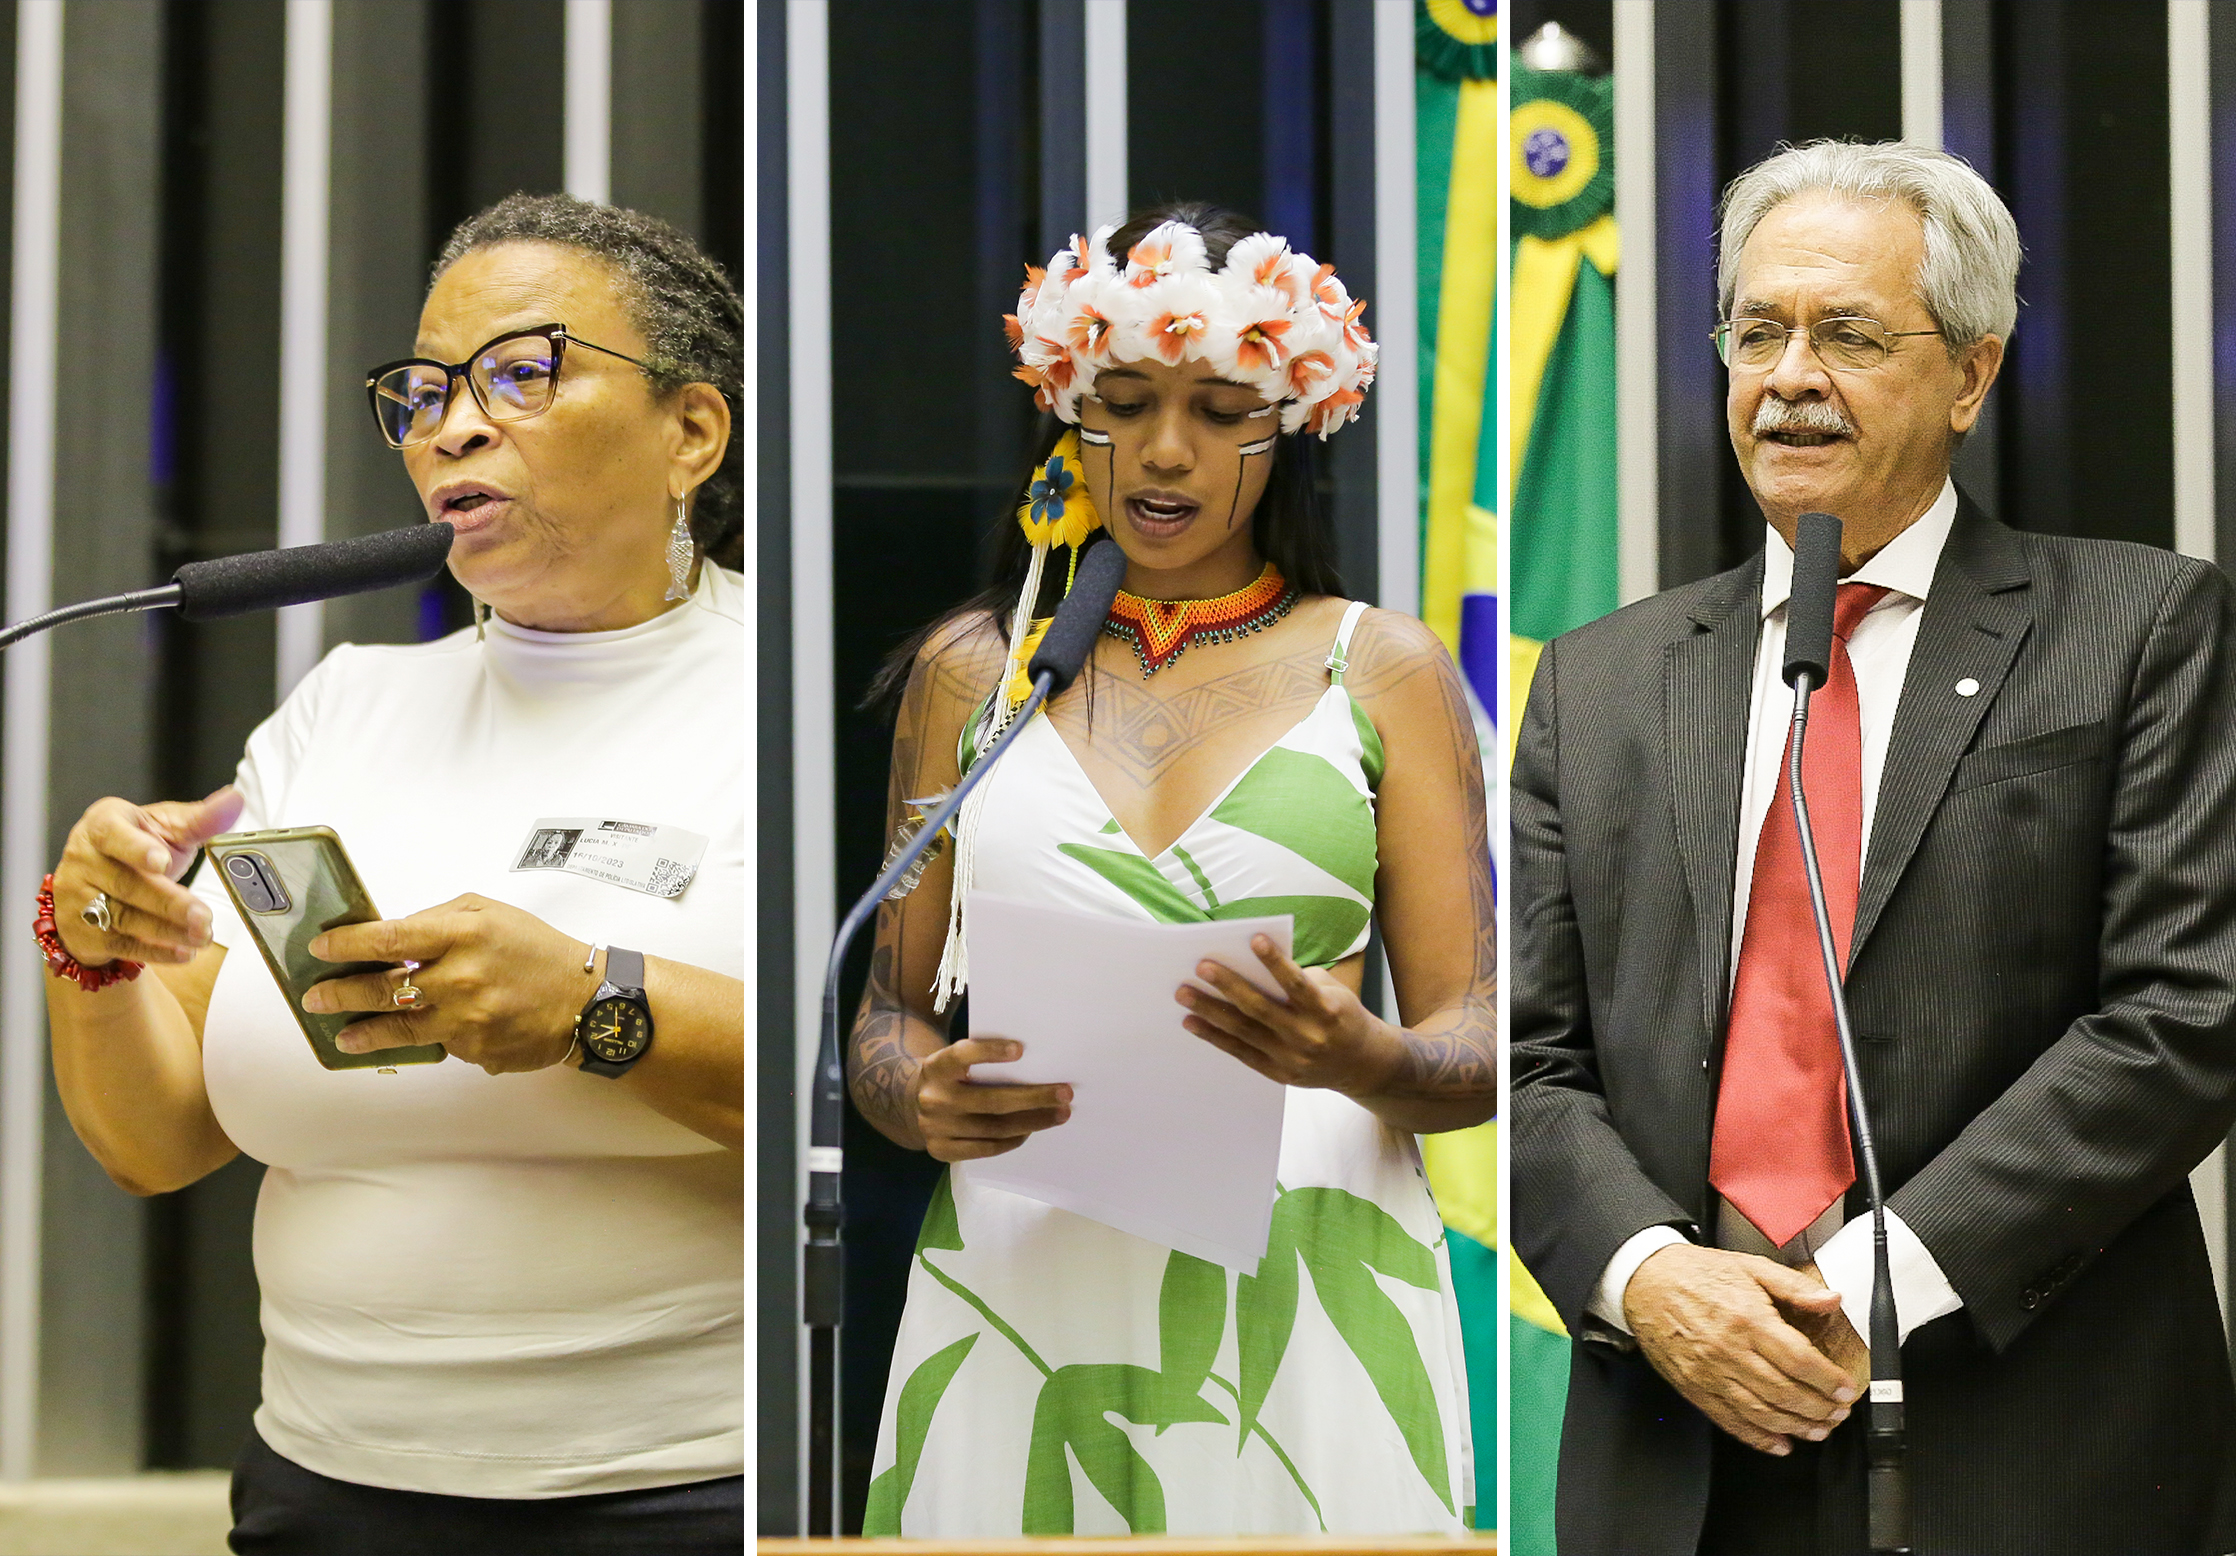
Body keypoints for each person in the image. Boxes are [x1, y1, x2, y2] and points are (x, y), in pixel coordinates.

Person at [1512, 140, 2236, 1554]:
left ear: (1969, 374)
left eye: (1847, 334)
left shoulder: (2138, 627)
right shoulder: (1598, 682)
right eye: (1756, 332)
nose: (1790, 375)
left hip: (2025, 1435)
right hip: (1680, 1441)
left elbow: (2177, 1016)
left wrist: (1864, 1286)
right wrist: (1654, 1278)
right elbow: (1533, 1058)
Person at [34, 194, 745, 1555]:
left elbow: (878, 1088)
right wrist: (94, 951)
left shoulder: (806, 695)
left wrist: (593, 1006)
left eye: (523, 374)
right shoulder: (339, 710)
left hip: (683, 1493)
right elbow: (157, 1139)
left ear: (690, 432)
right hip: (325, 1491)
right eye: (421, 394)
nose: (453, 428)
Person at [850, 204, 1495, 1538]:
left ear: (1290, 423)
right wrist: (923, 1097)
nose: (1161, 449)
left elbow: (1483, 1038)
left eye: (1218, 408)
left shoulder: (1383, 668)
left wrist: (1361, 1059)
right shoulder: (976, 671)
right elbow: (885, 1016)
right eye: (1125, 401)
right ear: (1068, 414)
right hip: (1024, 1285)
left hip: (1313, 1282)